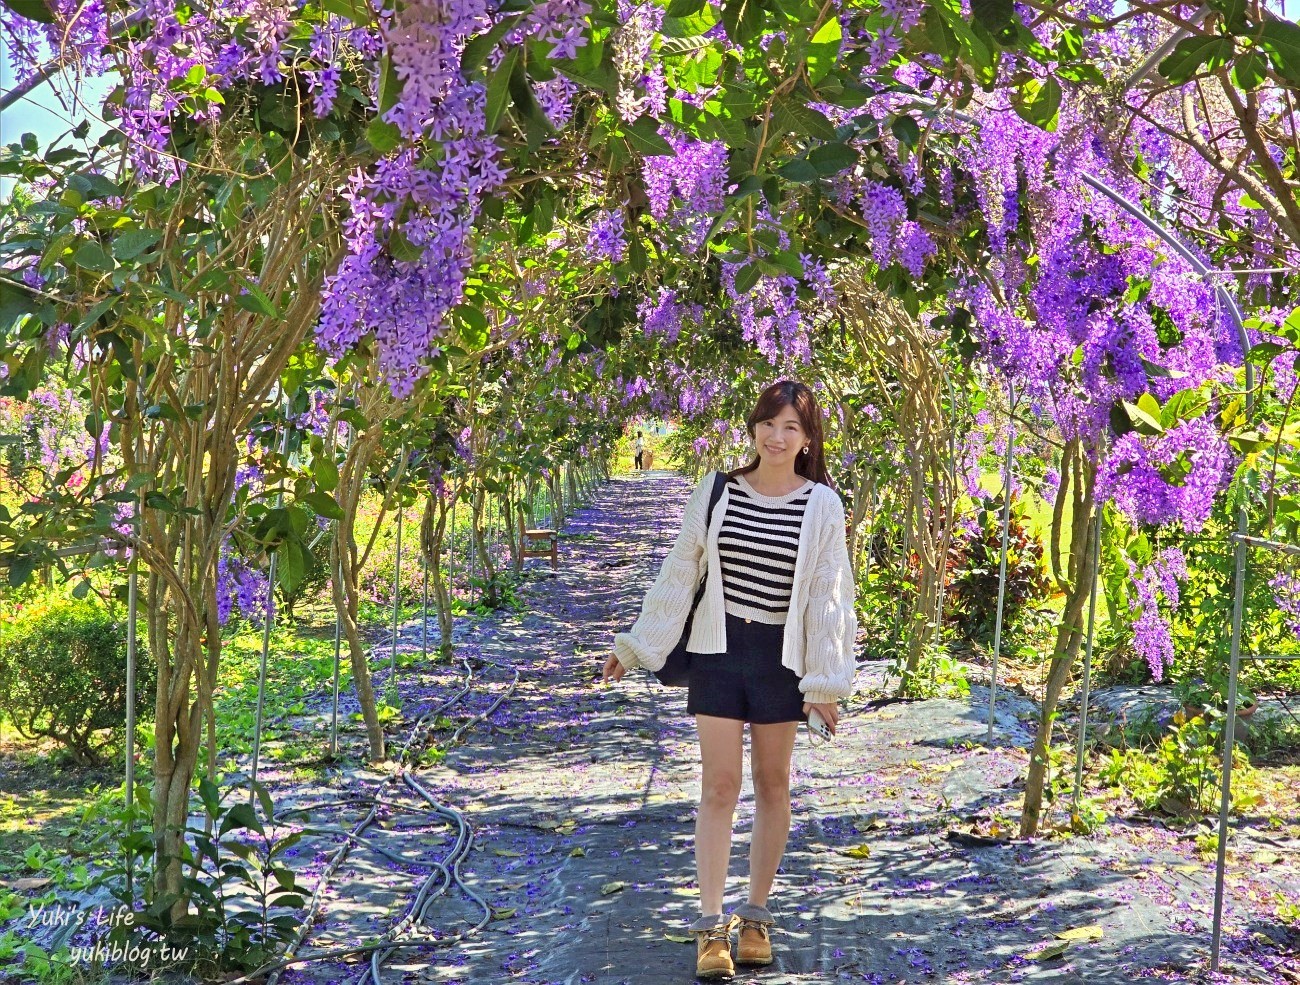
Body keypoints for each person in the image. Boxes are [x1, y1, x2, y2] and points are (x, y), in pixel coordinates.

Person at [602, 380, 857, 981]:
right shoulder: (717, 491)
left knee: (773, 784)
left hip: (780, 659)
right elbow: (680, 571)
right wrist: (638, 645)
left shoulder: (821, 504)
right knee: (719, 785)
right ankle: (710, 927)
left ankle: (756, 918)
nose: (777, 436)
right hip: (718, 650)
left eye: (791, 427)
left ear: (807, 438)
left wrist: (824, 682)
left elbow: (829, 593)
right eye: (769, 423)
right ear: (753, 428)